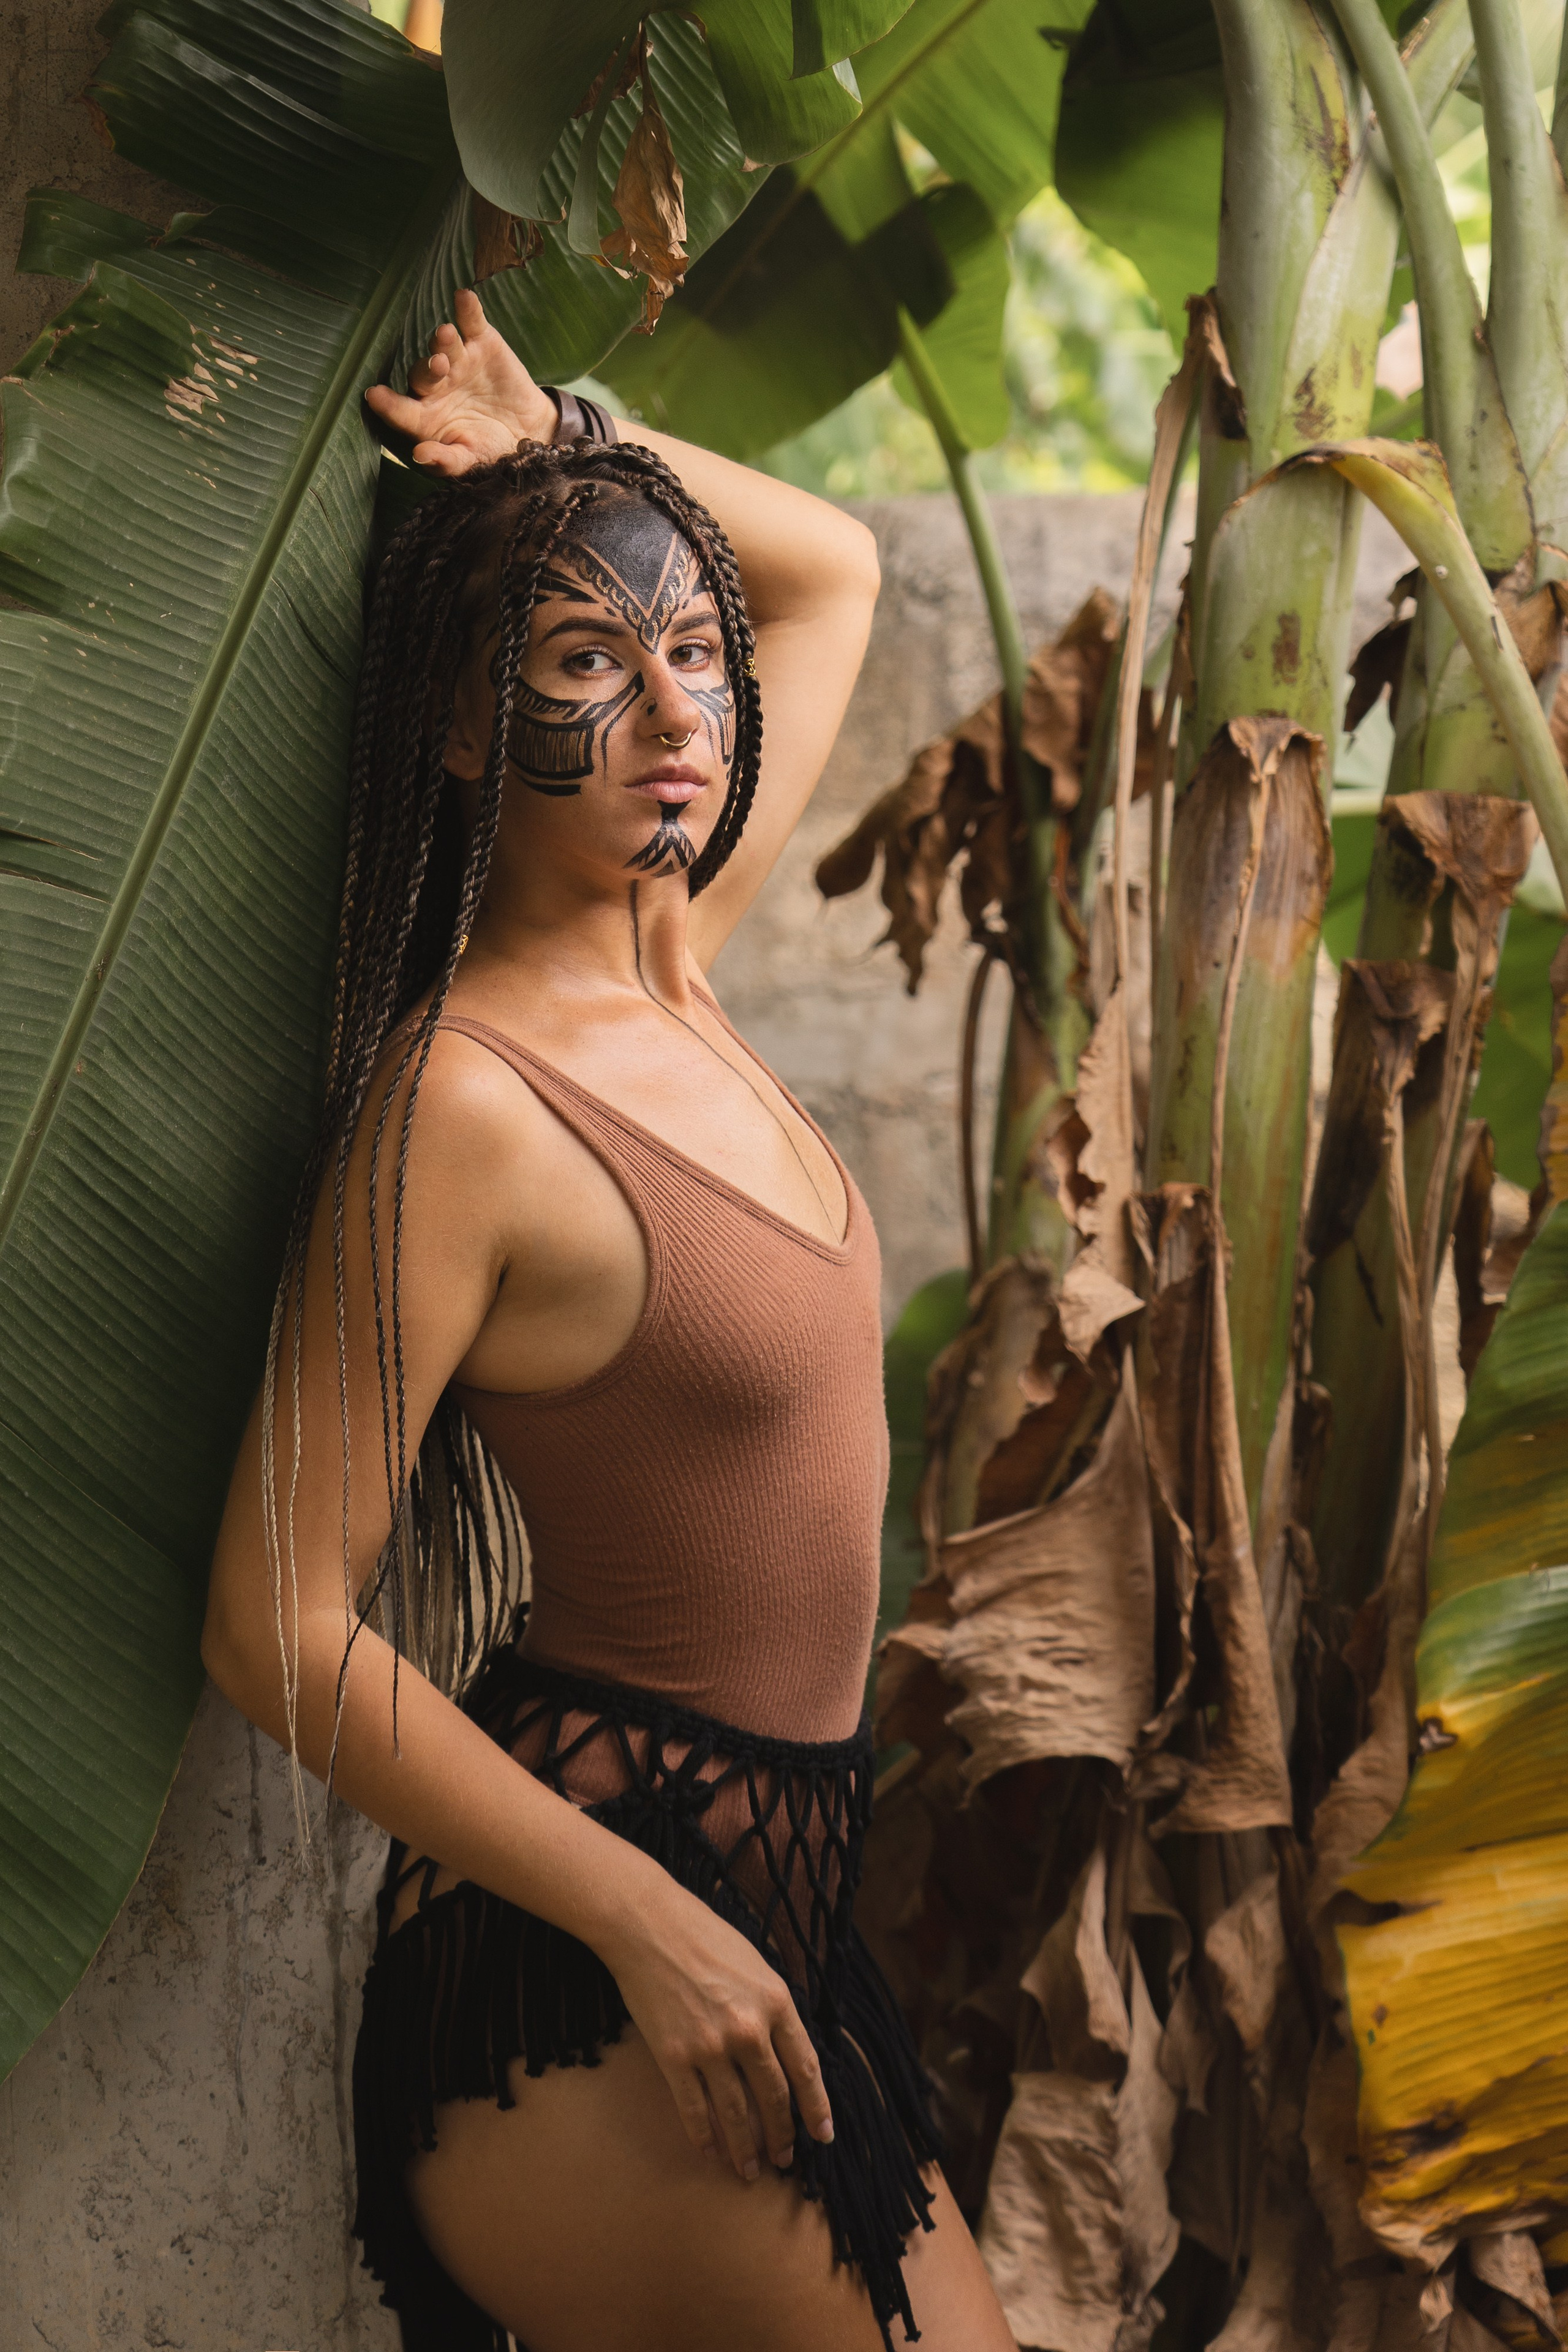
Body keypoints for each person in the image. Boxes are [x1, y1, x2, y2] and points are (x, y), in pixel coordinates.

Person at [202, 289, 1017, 2352]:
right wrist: (648, 1921)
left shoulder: (685, 960)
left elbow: (826, 566)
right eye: (585, 661)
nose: (674, 714)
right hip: (579, 1969)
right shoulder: (465, 1100)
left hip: (777, 1925)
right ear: (473, 727)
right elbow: (276, 1630)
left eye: (685, 655)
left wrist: (559, 434)